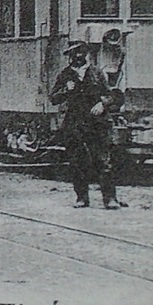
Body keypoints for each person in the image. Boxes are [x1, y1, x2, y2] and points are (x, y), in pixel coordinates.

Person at [49, 40, 124, 210]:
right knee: (78, 162)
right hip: (75, 123)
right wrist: (66, 90)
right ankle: (82, 198)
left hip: (97, 123)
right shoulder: (65, 75)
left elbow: (111, 95)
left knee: (103, 160)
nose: (78, 56)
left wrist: (102, 104)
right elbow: (53, 98)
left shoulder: (97, 73)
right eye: (74, 54)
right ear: (70, 57)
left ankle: (110, 199)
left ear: (86, 54)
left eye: (81, 52)